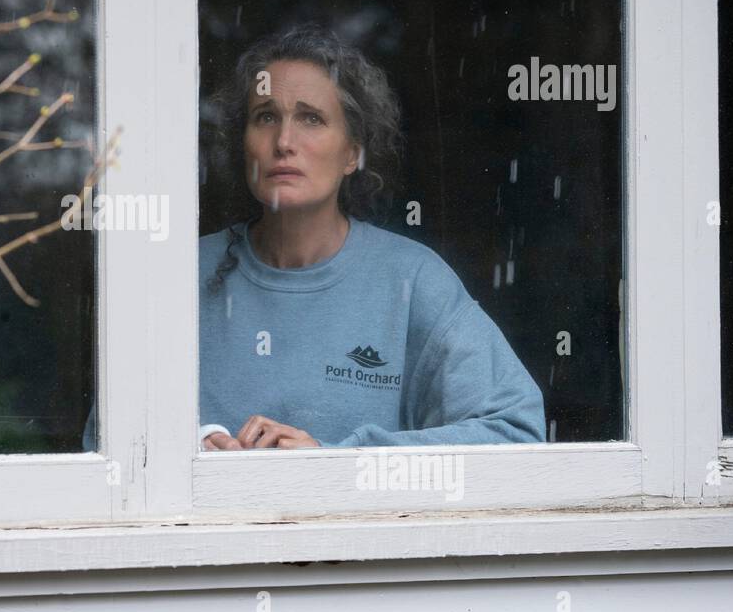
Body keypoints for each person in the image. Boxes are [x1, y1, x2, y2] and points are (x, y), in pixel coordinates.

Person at [195, 22, 545, 450]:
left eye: (311, 118)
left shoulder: (411, 280)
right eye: (266, 116)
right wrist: (192, 447)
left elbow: (515, 433)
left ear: (352, 152)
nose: (284, 141)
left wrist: (341, 465)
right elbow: (109, 439)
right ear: (241, 141)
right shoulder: (182, 274)